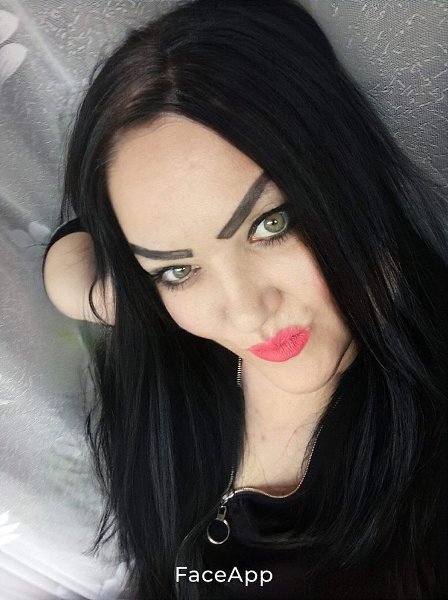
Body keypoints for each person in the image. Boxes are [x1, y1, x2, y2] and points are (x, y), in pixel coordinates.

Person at [42, 1, 448, 598]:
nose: (245, 312)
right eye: (178, 268)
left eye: (270, 224)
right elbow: (73, 263)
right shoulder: (166, 339)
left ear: (341, 173)